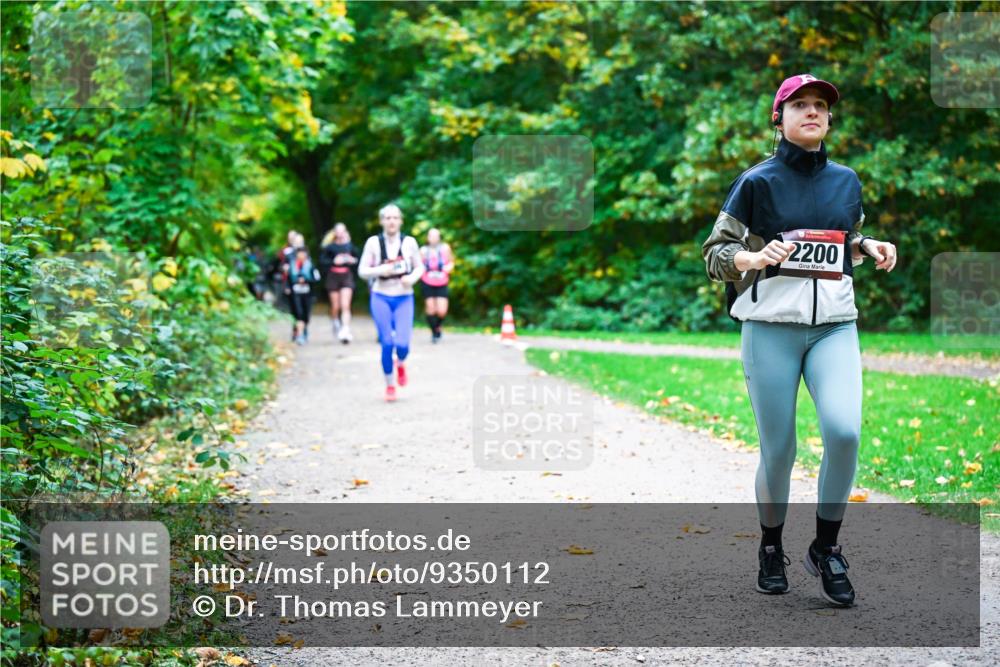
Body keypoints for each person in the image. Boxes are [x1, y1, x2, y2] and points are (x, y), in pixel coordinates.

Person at [701, 74, 897, 606]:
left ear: (829, 119)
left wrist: (867, 245)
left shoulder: (846, 180)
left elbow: (840, 240)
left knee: (844, 432)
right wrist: (752, 258)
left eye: (820, 106)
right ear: (779, 118)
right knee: (781, 448)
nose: (812, 112)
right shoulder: (756, 182)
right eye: (800, 105)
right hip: (770, 330)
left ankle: (826, 548)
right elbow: (714, 253)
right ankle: (771, 547)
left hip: (835, 326)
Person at [357, 204, 424, 402]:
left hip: (404, 297)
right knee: (387, 342)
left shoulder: (410, 242)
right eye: (387, 218)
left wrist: (411, 278)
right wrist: (380, 270)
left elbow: (420, 268)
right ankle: (390, 385)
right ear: (382, 221)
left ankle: (400, 362)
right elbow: (362, 271)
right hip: (381, 296)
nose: (392, 221)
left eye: (395, 218)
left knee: (402, 344)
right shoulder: (373, 243)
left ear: (401, 221)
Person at [320, 223, 360, 343]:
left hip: (346, 276)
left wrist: (352, 260)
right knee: (336, 306)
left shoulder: (350, 246)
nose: (340, 233)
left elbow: (359, 258)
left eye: (342, 231)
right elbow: (322, 261)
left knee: (345, 305)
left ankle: (346, 329)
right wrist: (334, 261)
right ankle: (335, 321)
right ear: (335, 232)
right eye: (338, 231)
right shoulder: (329, 247)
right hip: (333, 277)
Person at [419, 228, 454, 343]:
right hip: (427, 282)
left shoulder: (445, 248)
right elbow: (418, 265)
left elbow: (451, 262)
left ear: (439, 237)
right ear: (428, 237)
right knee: (431, 308)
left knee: (442, 310)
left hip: (441, 282)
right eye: (431, 236)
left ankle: (437, 326)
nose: (434, 238)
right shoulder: (423, 250)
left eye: (436, 236)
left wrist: (447, 269)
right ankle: (434, 332)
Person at [284, 245, 320, 346]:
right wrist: (287, 287)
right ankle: (299, 335)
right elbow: (288, 278)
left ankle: (304, 330)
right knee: (298, 313)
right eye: (300, 253)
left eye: (303, 253)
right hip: (295, 292)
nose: (301, 255)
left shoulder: (311, 265)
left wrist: (306, 280)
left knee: (306, 314)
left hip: (307, 293)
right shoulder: (291, 264)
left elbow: (316, 279)